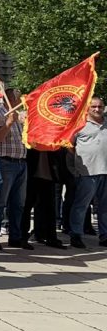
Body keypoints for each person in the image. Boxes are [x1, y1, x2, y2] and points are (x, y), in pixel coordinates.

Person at [0, 90, 29, 250]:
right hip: (4, 163)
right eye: (18, 98)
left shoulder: (18, 115)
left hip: (20, 163)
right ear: (10, 99)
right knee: (0, 201)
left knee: (18, 203)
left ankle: (15, 236)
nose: (21, 101)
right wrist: (9, 123)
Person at [68, 97, 107, 248]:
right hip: (87, 172)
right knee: (81, 205)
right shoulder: (80, 124)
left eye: (100, 106)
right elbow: (69, 145)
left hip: (105, 171)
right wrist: (78, 161)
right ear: (88, 108)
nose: (97, 109)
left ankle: (104, 235)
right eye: (94, 107)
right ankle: (76, 235)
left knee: (105, 206)